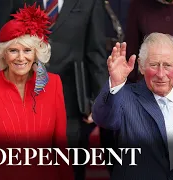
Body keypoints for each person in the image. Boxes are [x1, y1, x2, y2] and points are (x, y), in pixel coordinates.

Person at [0, 4, 73, 180]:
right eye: (13, 50)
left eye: (27, 50)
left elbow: (60, 145)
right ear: (3, 54)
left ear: (36, 54)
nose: (20, 57)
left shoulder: (53, 83)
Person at [92, 33, 173, 180]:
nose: (161, 74)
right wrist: (115, 84)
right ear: (141, 66)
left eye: (167, 65)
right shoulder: (124, 97)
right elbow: (103, 119)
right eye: (154, 65)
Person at [23, 1, 108, 179]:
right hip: (26, 98)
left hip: (71, 100)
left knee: (70, 168)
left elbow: (95, 53)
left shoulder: (90, 3)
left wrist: (100, 99)